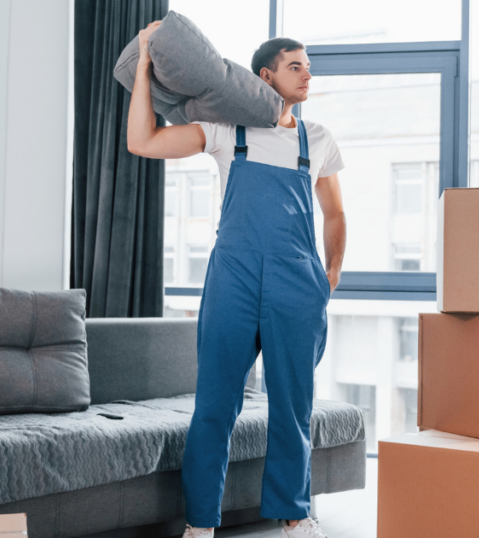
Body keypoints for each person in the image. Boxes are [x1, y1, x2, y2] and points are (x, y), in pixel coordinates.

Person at [127, 22, 346, 538]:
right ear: (265, 76)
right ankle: (200, 524)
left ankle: (294, 513)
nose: (308, 73)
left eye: (308, 65)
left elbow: (334, 213)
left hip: (298, 282)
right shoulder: (228, 130)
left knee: (294, 404)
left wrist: (329, 274)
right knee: (215, 403)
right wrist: (142, 66)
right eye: (296, 65)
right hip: (235, 278)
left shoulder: (317, 139)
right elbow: (143, 140)